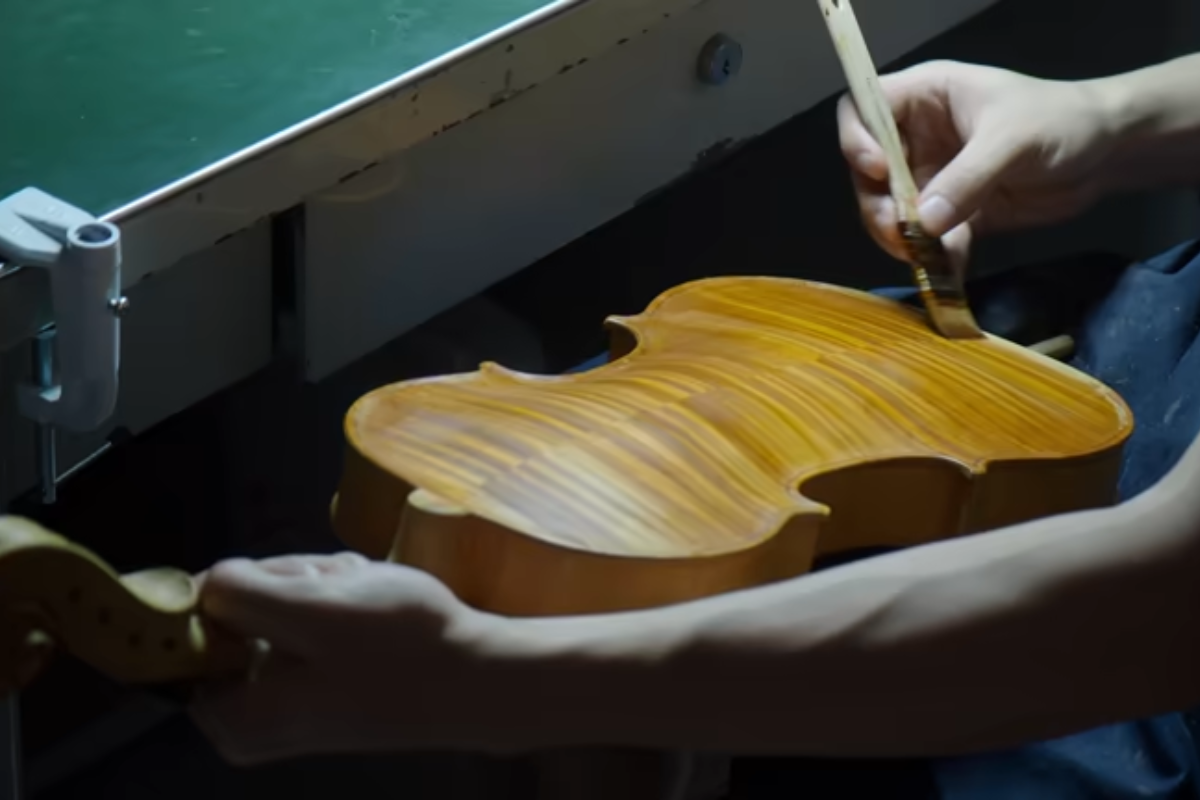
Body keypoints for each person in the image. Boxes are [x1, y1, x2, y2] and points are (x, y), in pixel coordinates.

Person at [189, 54, 1200, 798]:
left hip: (1152, 666)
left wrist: (495, 684)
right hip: (1165, 340)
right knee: (605, 473)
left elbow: (1147, 605)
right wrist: (1107, 119)